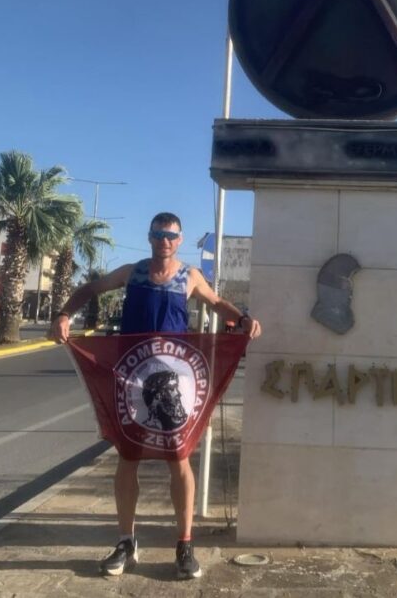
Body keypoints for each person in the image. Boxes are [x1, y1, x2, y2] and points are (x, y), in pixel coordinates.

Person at [50, 211, 261, 580]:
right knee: (127, 456)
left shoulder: (189, 276)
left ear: (180, 240)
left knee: (179, 458)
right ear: (149, 237)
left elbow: (215, 302)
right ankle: (126, 542)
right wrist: (64, 315)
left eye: (171, 235)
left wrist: (243, 320)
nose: (165, 240)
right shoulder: (132, 272)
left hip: (176, 380)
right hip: (133, 379)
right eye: (159, 234)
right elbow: (91, 289)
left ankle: (185, 545)